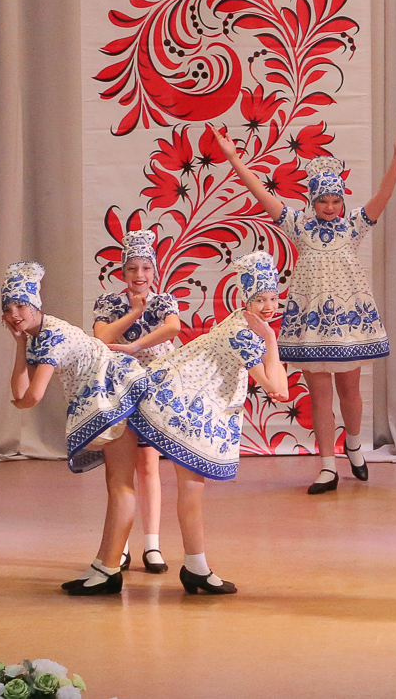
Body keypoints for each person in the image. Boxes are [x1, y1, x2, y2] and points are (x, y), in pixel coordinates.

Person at [215, 124, 396, 494]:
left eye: (335, 200)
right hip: (310, 324)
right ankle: (326, 465)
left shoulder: (354, 224)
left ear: (342, 201)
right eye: (323, 201)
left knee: (350, 391)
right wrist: (234, 159)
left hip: (348, 324)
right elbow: (260, 192)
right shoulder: (298, 224)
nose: (330, 207)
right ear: (312, 200)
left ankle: (354, 445)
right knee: (319, 395)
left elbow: (383, 194)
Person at [126, 252, 290, 594]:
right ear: (246, 300)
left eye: (273, 299)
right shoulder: (242, 331)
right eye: (260, 299)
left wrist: (270, 341)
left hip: (196, 404)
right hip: (183, 403)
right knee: (189, 486)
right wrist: (272, 341)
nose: (269, 307)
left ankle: (195, 566)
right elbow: (274, 387)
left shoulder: (249, 327)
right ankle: (191, 566)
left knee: (192, 487)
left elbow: (282, 390)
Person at [3, 262, 150, 596]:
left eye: (21, 305)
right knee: (115, 483)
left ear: (35, 304)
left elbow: (31, 397)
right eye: (8, 308)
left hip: (116, 392)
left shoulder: (51, 334)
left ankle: (109, 570)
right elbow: (21, 391)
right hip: (105, 395)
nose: (14, 314)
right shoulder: (36, 337)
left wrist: (21, 404)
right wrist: (19, 344)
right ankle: (103, 565)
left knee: (120, 483)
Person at [92, 229, 183, 574]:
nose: (139, 275)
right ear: (122, 272)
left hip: (153, 389)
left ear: (154, 271)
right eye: (132, 268)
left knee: (148, 465)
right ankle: (121, 545)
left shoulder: (163, 301)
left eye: (145, 268)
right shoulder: (108, 302)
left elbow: (173, 328)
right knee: (120, 469)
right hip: (119, 389)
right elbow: (102, 336)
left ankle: (153, 544)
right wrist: (132, 313)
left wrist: (135, 346)